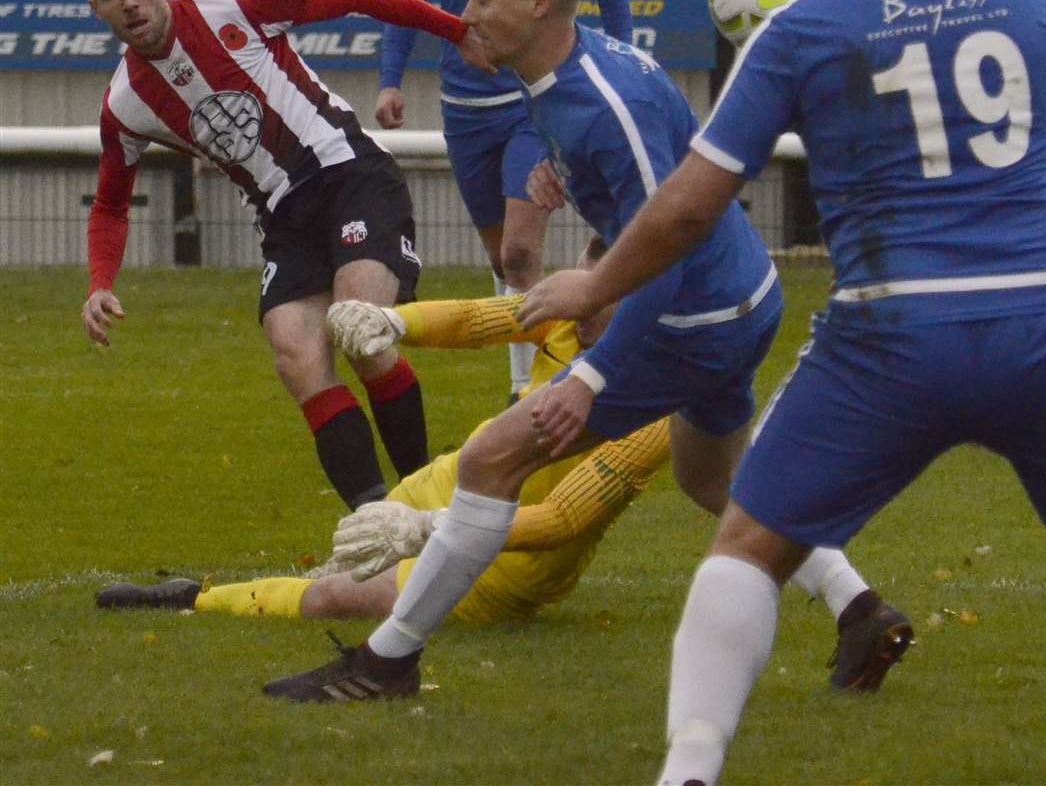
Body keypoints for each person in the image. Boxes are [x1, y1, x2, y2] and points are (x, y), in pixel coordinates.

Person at [517, 0, 1046, 786]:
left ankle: (687, 773)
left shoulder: (803, 24)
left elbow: (692, 204)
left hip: (893, 331)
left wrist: (594, 279)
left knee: (744, 546)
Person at [261, 0, 910, 703]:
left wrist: (590, 375)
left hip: (694, 317)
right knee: (717, 483)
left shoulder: (605, 102)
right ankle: (860, 610)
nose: (465, 12)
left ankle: (385, 663)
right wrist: (556, 166)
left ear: (538, 2)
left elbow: (669, 245)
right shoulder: (573, 68)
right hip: (740, 298)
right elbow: (653, 181)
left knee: (489, 460)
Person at [97, 258, 891, 685]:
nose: (581, 304)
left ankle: (191, 599)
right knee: (341, 562)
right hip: (457, 477)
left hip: (509, 563)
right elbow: (487, 316)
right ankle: (853, 603)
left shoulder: (658, 407)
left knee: (348, 595)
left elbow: (564, 520)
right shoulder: (581, 323)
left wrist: (424, 527)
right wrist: (390, 320)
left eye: (603, 291)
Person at [80, 0, 482, 512]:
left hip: (349, 175)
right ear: (97, 10)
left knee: (357, 328)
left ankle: (430, 504)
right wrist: (99, 282)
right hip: (282, 217)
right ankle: (379, 525)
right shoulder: (124, 105)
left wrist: (458, 31)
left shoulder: (235, 5)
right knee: (295, 350)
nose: (129, 1)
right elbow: (111, 205)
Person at [378, 0, 633, 401]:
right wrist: (388, 82)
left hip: (533, 104)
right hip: (465, 109)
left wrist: (622, 56)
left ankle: (537, 392)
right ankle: (542, 369)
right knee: (503, 262)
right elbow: (404, 1)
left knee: (522, 251)